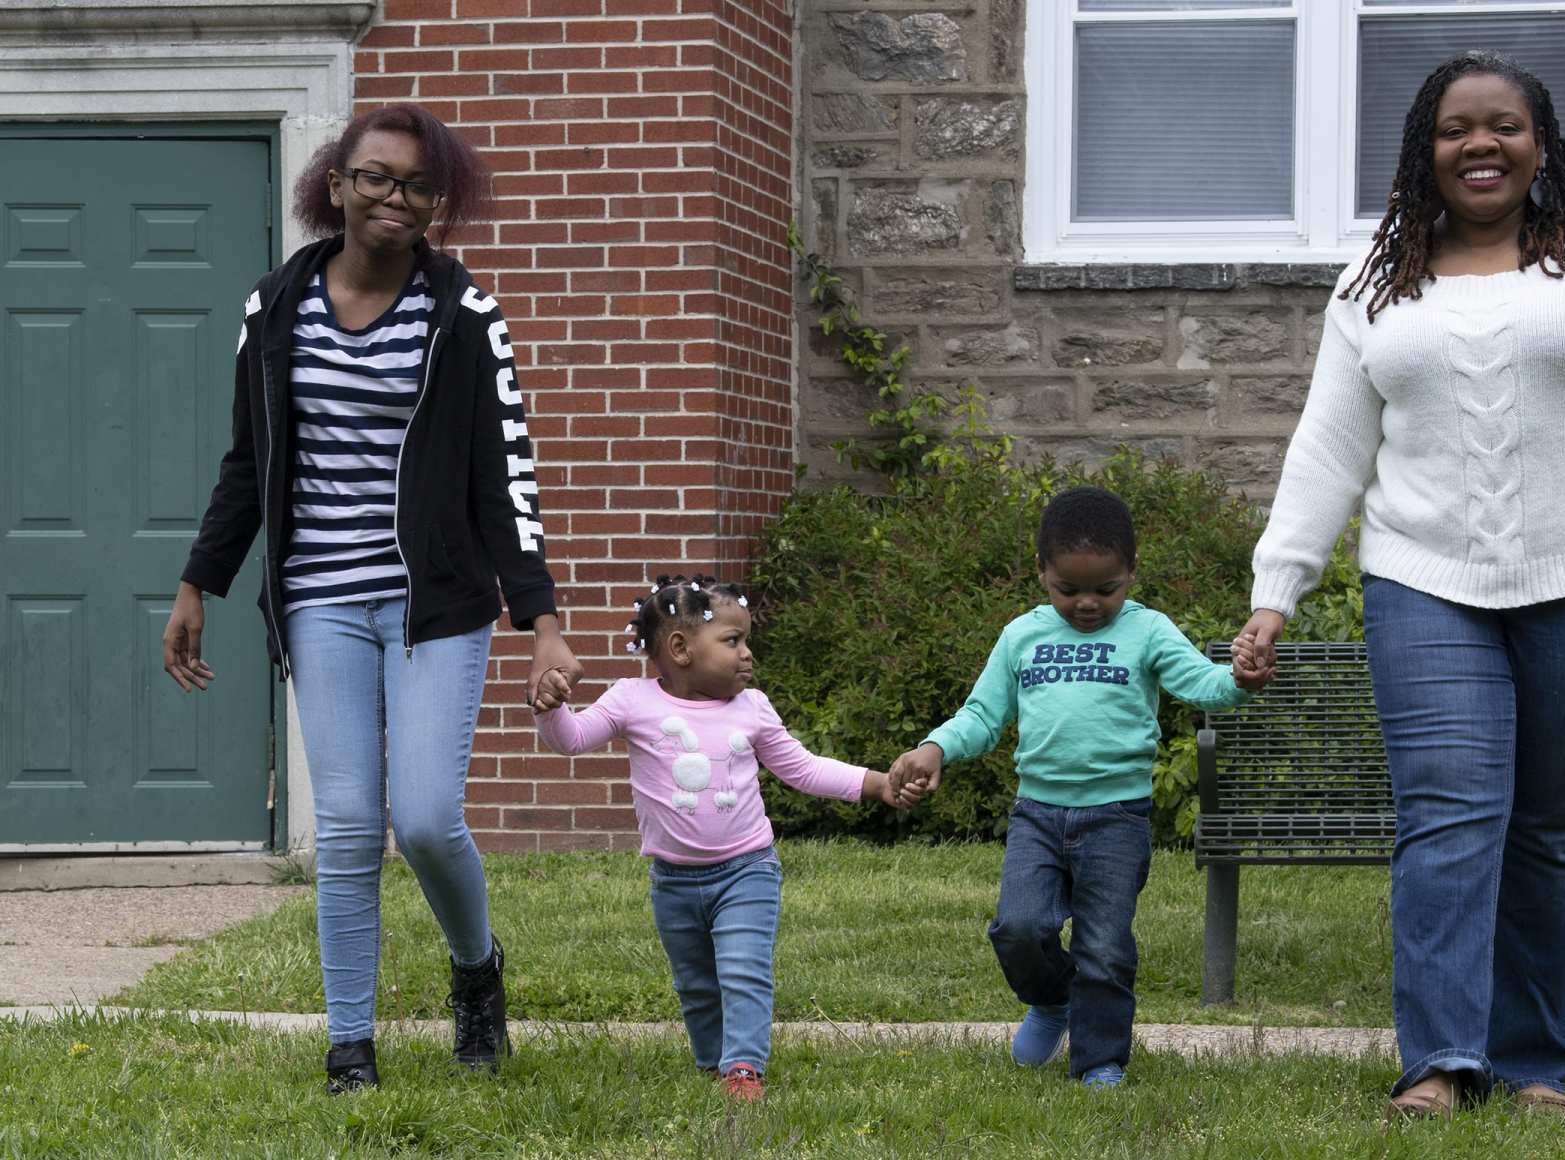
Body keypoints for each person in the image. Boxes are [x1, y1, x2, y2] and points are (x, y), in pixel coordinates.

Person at [1234, 52, 1565, 1118]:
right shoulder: (1375, 278)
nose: (1481, 145)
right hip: (1424, 581)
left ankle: (1537, 1063)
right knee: (1449, 819)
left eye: (1504, 125)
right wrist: (1278, 588)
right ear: (1426, 148)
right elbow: (1328, 447)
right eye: (1457, 129)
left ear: (1542, 142)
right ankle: (1442, 1062)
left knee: (1549, 829)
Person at [161, 102, 581, 1094]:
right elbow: (247, 461)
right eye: (378, 178)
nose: (398, 198)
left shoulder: (464, 315)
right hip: (319, 599)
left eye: (420, 186)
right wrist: (198, 582)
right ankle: (351, 1045)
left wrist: (545, 625)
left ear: (440, 204)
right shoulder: (275, 308)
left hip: (435, 601)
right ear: (336, 186)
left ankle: (476, 971)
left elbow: (505, 475)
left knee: (429, 816)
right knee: (350, 825)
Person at [890, 486, 1270, 1088]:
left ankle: (1099, 1059)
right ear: (1041, 570)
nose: (1088, 604)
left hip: (1116, 819)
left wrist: (1240, 679)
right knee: (1019, 928)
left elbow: (1203, 685)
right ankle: (1052, 1002)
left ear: (1132, 572)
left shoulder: (1148, 632)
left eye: (1106, 588)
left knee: (1104, 947)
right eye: (1069, 589)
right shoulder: (1021, 637)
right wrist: (934, 747)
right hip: (1037, 816)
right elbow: (982, 717)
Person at [530, 573, 905, 1101]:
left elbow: (801, 767)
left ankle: (743, 1069)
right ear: (680, 648)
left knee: (742, 970)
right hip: (673, 881)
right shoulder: (632, 700)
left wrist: (876, 784)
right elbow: (572, 739)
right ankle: (713, 1063)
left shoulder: (752, 707)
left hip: (747, 870)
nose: (747, 654)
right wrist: (550, 707)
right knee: (698, 986)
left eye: (745, 640)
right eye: (733, 641)